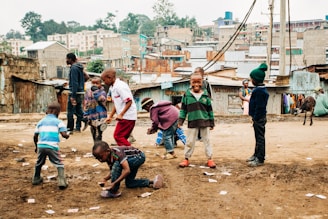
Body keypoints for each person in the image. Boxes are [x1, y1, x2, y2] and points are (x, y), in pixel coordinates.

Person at [92, 141, 164, 198]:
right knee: (129, 183)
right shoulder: (108, 157)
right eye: (97, 158)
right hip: (132, 159)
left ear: (107, 151)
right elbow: (112, 172)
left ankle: (114, 190)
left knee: (117, 165)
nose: (100, 160)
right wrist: (105, 179)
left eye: (100, 157)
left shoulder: (116, 154)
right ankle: (152, 181)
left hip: (139, 157)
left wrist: (114, 183)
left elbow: (127, 170)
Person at [178, 73, 216, 168]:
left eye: (198, 82)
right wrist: (180, 121)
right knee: (190, 141)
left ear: (202, 82)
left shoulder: (206, 95)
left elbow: (210, 110)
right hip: (192, 121)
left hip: (205, 121)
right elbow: (183, 109)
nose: (196, 84)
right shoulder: (187, 95)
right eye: (193, 82)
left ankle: (210, 159)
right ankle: (186, 159)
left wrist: (212, 122)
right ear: (190, 82)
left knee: (207, 140)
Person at [32, 101, 70, 189]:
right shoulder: (58, 122)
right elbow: (64, 134)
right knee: (59, 163)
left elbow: (35, 136)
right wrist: (67, 135)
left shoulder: (40, 122)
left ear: (46, 111)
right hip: (52, 146)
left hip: (41, 146)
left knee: (39, 163)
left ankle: (36, 178)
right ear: (58, 112)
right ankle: (62, 182)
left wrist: (36, 146)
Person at [101, 68, 137, 146]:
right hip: (124, 117)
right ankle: (126, 154)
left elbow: (129, 101)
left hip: (128, 116)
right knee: (122, 138)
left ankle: (133, 152)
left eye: (104, 80)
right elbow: (116, 104)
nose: (104, 82)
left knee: (118, 136)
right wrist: (110, 116)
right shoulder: (112, 87)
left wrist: (121, 114)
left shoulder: (120, 86)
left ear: (110, 78)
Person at [247, 63, 269, 167]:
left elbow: (259, 107)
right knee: (258, 137)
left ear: (255, 80)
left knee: (260, 138)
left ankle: (260, 159)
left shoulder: (260, 91)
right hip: (258, 118)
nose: (251, 80)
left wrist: (255, 118)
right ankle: (256, 155)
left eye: (252, 79)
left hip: (259, 118)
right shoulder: (260, 90)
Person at [66, 53, 87, 133]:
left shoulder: (74, 68)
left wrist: (73, 96)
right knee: (78, 110)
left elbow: (74, 82)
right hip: (80, 92)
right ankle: (78, 128)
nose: (66, 60)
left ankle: (69, 129)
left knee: (70, 111)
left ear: (70, 59)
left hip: (75, 92)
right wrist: (81, 85)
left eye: (67, 59)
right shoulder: (79, 67)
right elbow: (87, 77)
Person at [83, 77, 108, 142]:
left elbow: (101, 99)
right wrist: (85, 114)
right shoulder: (88, 92)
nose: (95, 85)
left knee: (99, 132)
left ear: (100, 84)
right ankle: (96, 145)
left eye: (97, 83)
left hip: (100, 116)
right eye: (93, 83)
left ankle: (99, 146)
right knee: (93, 131)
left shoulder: (102, 92)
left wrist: (96, 92)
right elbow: (86, 103)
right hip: (92, 115)